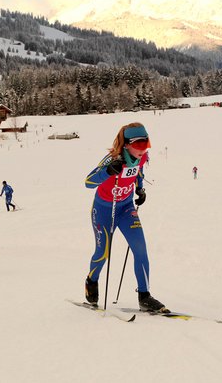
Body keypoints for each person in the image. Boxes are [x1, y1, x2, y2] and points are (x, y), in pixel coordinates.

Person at [83, 122, 168, 313]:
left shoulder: (142, 157)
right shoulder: (112, 159)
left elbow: (138, 172)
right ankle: (92, 281)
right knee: (102, 253)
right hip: (103, 210)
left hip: (126, 208)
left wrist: (139, 187)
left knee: (140, 249)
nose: (143, 149)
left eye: (146, 144)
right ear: (127, 144)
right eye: (139, 145)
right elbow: (88, 182)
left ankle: (144, 296)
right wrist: (108, 172)